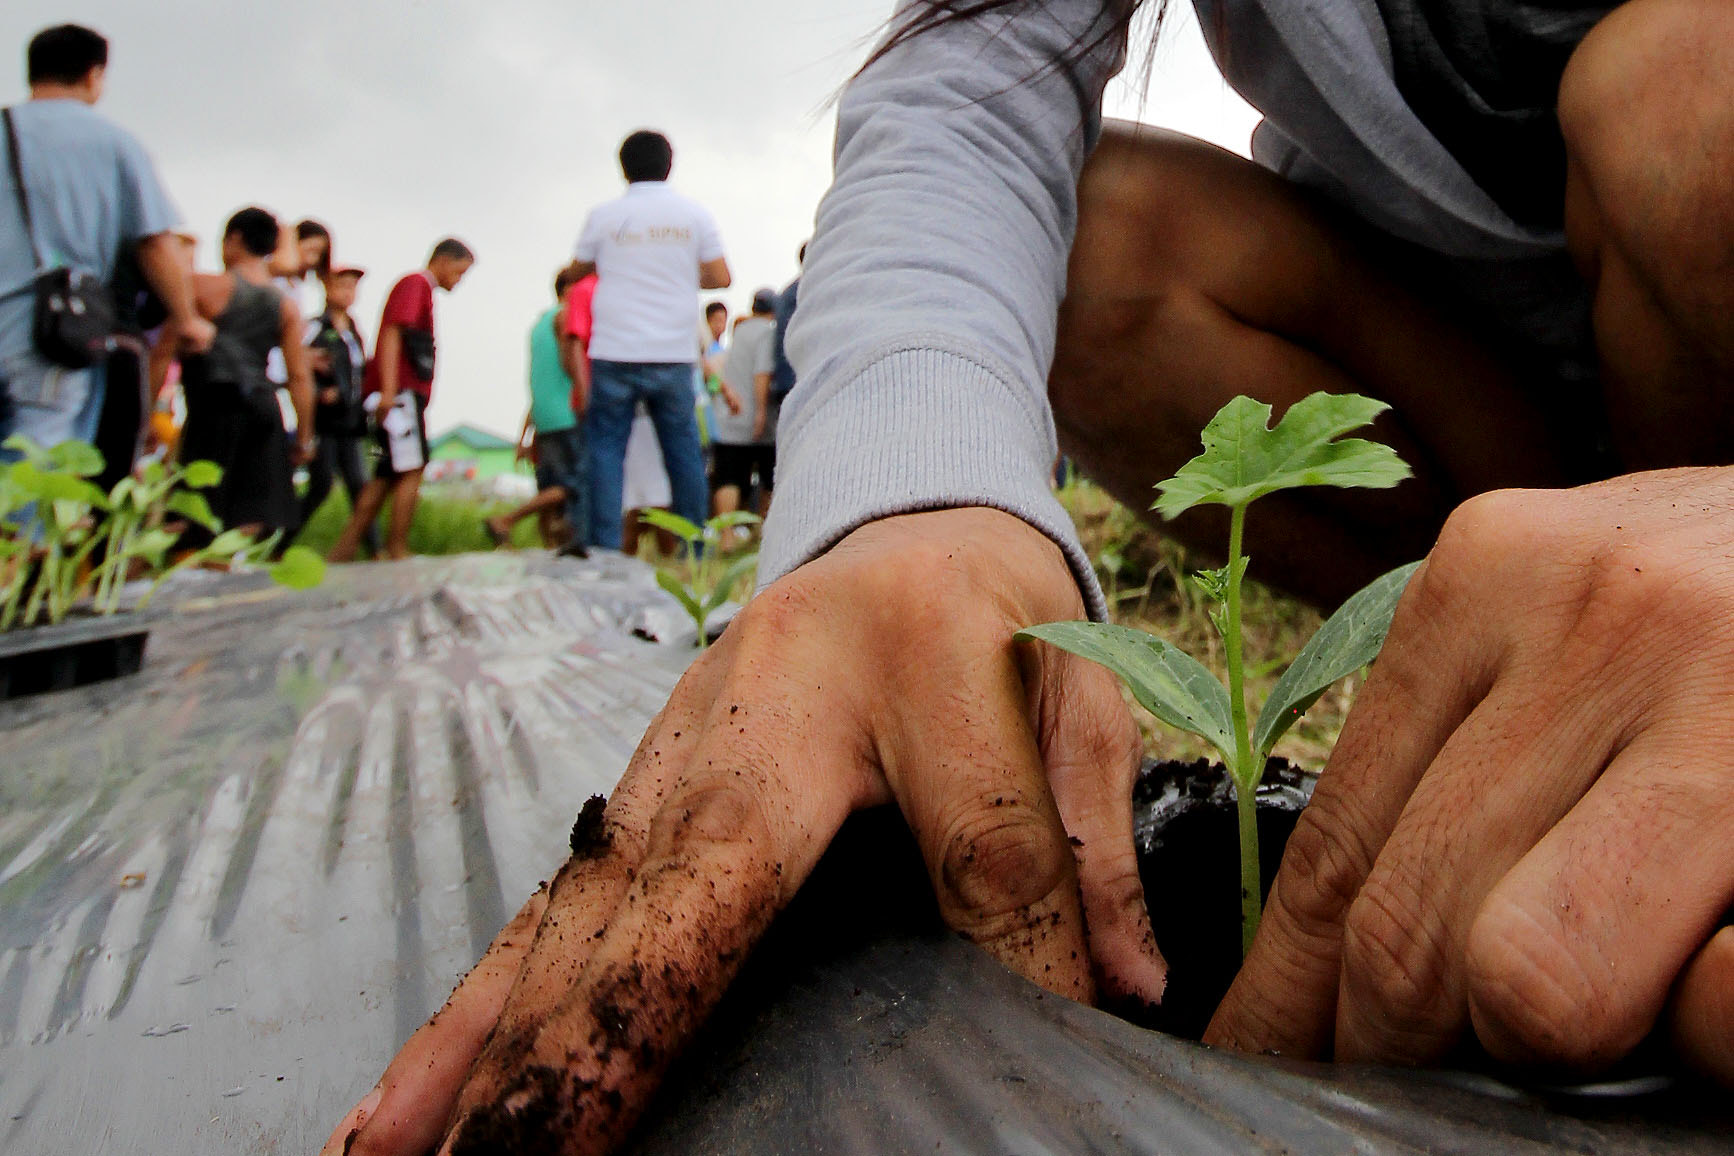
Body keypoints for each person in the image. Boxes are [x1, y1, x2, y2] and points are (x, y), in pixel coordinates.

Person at [325, 2, 1734, 1153]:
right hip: (1481, 400)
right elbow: (966, 84)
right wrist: (912, 498)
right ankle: (1508, 669)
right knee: (1091, 236)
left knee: (1681, 88)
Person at [0, 23, 212, 462]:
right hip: (48, 333)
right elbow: (155, 242)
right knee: (34, 467)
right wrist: (188, 318)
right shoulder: (115, 144)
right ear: (94, 75)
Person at [569, 130, 730, 550]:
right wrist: (677, 270)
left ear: (623, 168)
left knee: (606, 451)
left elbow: (576, 270)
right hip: (672, 353)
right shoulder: (693, 216)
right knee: (683, 455)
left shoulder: (603, 216)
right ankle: (693, 544)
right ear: (669, 165)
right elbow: (721, 277)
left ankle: (604, 548)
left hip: (615, 349)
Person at [169, 207, 314, 542]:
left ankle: (193, 575)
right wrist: (305, 437)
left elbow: (163, 353)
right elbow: (299, 377)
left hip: (217, 404)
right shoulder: (285, 306)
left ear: (233, 240)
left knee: (195, 511)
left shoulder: (201, 287)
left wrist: (146, 413)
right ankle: (226, 570)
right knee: (250, 516)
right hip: (264, 407)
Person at [327, 239, 473, 563]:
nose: (458, 280)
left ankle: (345, 548)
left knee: (387, 473)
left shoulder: (420, 289)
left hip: (400, 395)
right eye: (460, 272)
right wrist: (390, 393)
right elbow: (393, 332)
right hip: (401, 397)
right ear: (445, 261)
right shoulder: (416, 284)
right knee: (412, 467)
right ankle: (397, 548)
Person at [488, 267, 591, 555]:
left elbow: (541, 380)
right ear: (569, 290)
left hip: (544, 417)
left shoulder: (539, 324)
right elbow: (570, 365)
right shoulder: (565, 319)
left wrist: (525, 434)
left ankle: (550, 545)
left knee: (549, 486)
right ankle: (506, 520)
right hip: (566, 414)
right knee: (573, 484)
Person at [299, 265, 378, 553]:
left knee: (360, 485)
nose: (347, 292)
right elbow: (294, 364)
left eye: (352, 286)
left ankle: (375, 548)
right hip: (325, 421)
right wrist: (319, 392)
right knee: (320, 486)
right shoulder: (316, 327)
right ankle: (277, 542)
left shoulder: (354, 330)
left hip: (351, 420)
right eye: (341, 285)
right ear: (326, 289)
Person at [709, 287, 780, 547]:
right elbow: (762, 373)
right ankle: (763, 537)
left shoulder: (740, 332)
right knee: (768, 478)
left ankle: (726, 537)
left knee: (728, 476)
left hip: (729, 417)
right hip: (756, 419)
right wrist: (761, 411)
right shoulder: (767, 333)